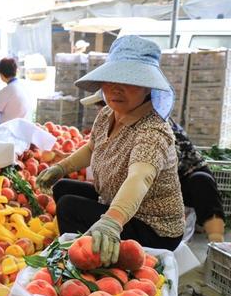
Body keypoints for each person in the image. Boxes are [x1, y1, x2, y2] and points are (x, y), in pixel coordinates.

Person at [36, 35, 185, 266]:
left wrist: (112, 222)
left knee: (69, 207)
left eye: (130, 81)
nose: (116, 88)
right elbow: (92, 147)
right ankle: (88, 248)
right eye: (111, 78)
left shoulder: (153, 130)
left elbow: (140, 177)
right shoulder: (108, 114)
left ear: (148, 88)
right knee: (64, 187)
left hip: (154, 228)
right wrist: (61, 167)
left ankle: (84, 263)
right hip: (118, 202)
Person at [81, 90, 226, 242]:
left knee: (201, 181)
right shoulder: (115, 121)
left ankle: (216, 244)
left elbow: (148, 169)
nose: (103, 110)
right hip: (150, 188)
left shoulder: (154, 126)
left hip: (181, 179)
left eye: (101, 105)